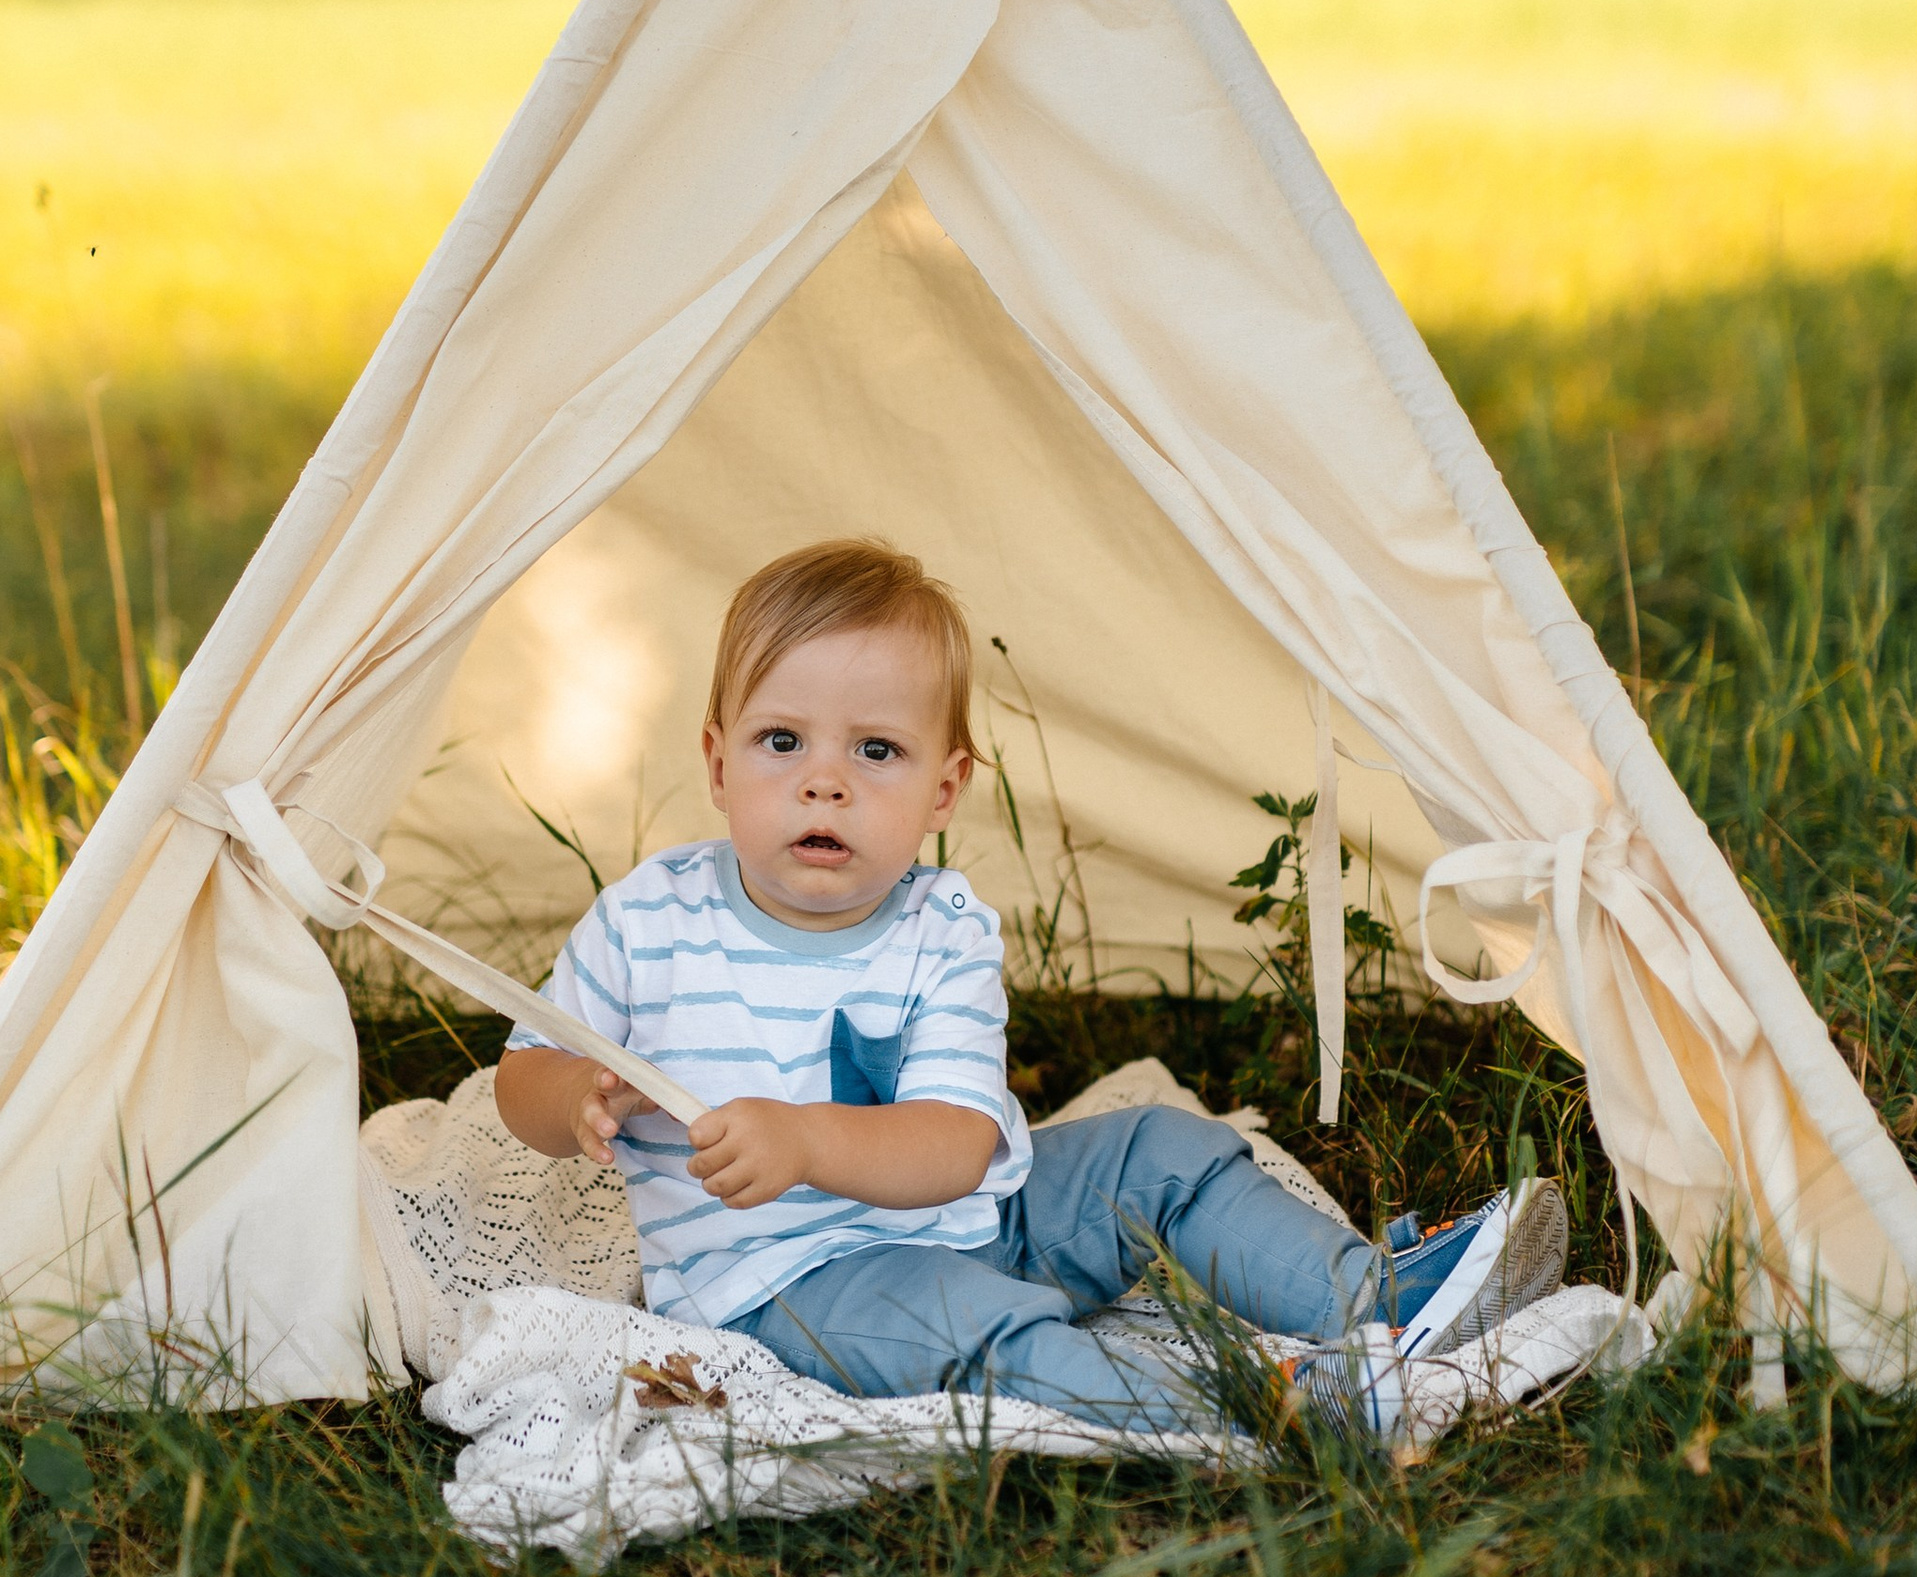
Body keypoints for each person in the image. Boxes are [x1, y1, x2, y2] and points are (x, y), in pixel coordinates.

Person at [491, 540, 1566, 1444]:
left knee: (1158, 1149)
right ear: (719, 763)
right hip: (789, 1285)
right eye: (782, 741)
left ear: (944, 788)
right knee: (979, 1333)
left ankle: (1377, 1298)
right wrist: (575, 1092)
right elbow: (520, 1076)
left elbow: (958, 1144)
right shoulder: (649, 918)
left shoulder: (942, 927)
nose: (824, 781)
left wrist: (806, 1139)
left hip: (985, 1215)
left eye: (877, 750)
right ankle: (1266, 1401)